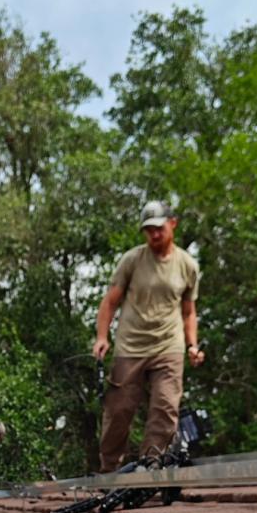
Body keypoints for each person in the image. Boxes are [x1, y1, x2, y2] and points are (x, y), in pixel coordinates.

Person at [92, 200, 204, 471]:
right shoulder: (132, 260)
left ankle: (150, 469)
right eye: (149, 230)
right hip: (131, 345)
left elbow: (189, 311)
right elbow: (110, 302)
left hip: (169, 345)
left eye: (159, 228)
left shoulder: (187, 265)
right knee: (119, 411)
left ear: (172, 224)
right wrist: (102, 337)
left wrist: (192, 345)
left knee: (165, 408)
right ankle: (110, 472)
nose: (154, 235)